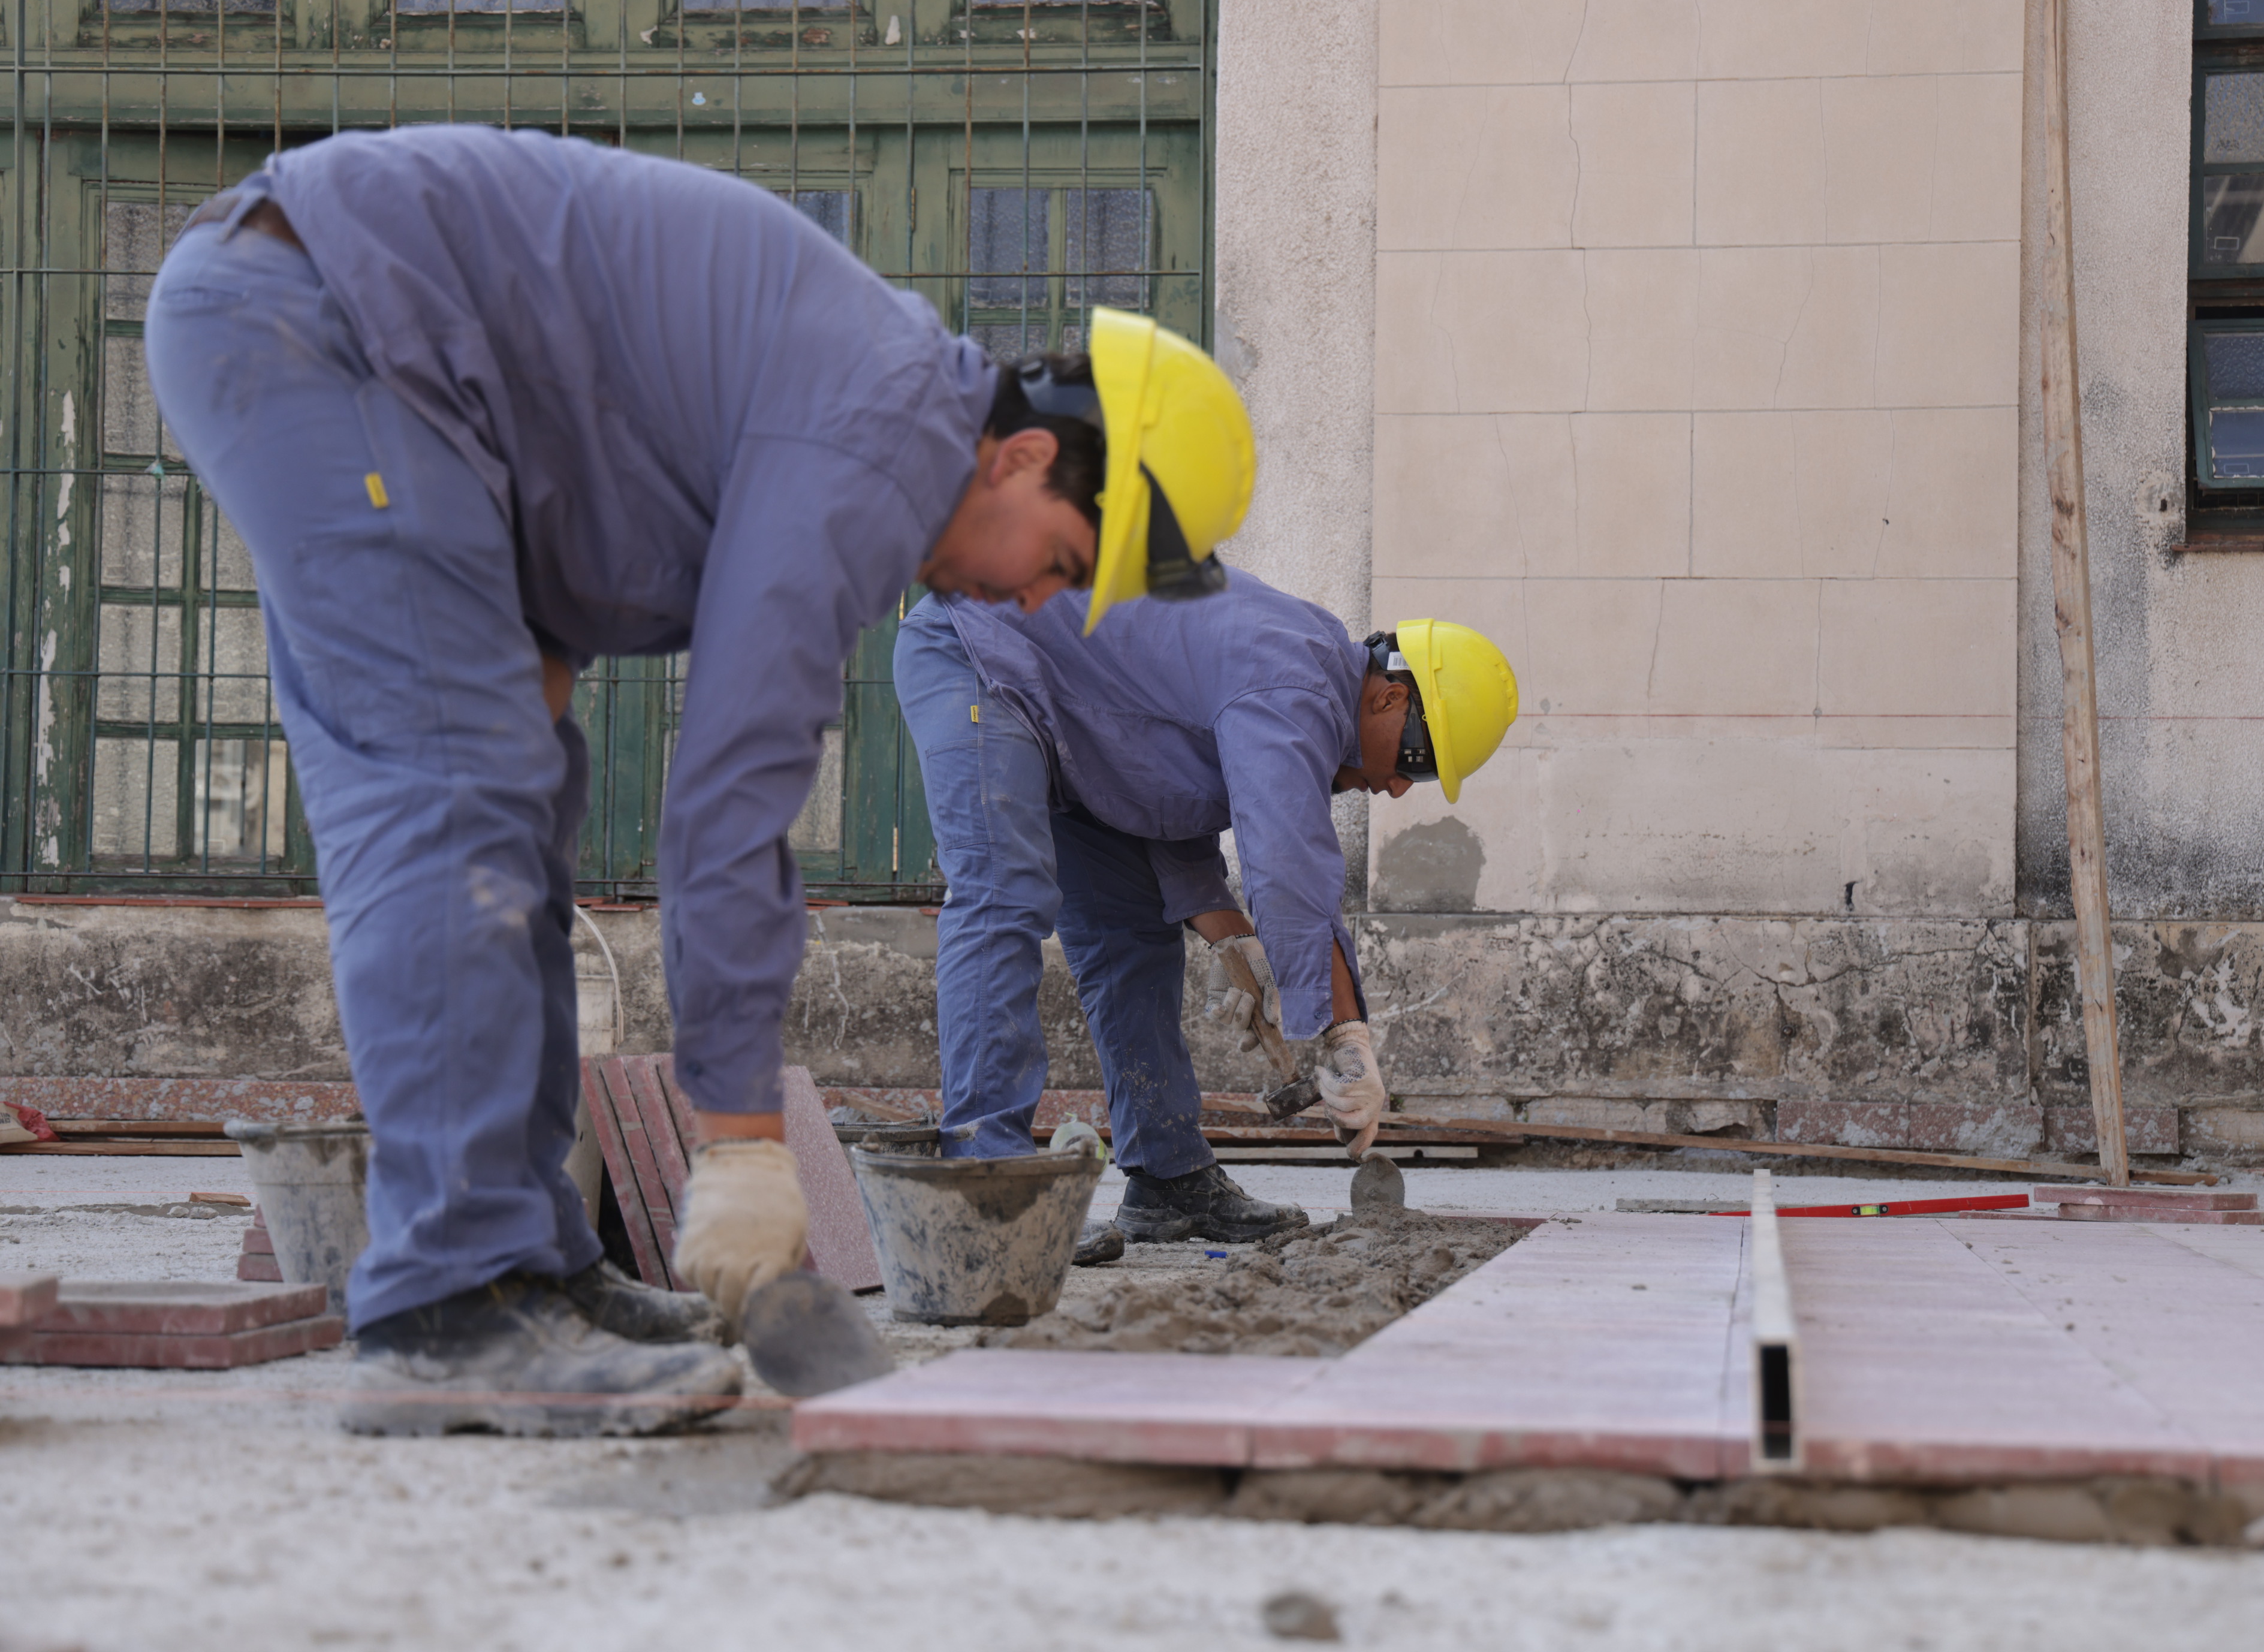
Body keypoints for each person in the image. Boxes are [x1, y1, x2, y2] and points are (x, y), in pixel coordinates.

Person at [143, 124, 1255, 1436]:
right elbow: (734, 785)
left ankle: (532, 1261)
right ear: (1020, 457)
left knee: (512, 795)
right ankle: (449, 1303)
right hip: (327, 321)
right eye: (1064, 560)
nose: (1035, 599)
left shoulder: (872, 407)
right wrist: (739, 1136)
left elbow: (582, 469)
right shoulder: (883, 433)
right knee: (454, 792)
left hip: (396, 361)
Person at [893, 566, 1519, 1256]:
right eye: (1417, 759)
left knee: (1133, 937)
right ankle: (989, 1188)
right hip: (986, 654)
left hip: (1083, 721)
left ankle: (1169, 1178)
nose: (1399, 787)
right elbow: (1287, 854)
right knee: (1002, 895)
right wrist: (1345, 1037)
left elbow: (1167, 775)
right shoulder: (1297, 684)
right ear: (1389, 696)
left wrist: (1232, 942)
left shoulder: (1300, 679)